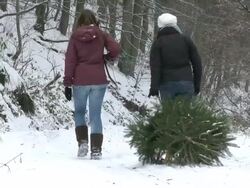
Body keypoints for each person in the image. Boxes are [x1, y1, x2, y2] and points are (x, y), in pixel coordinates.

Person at [63, 9, 121, 159]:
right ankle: (96, 150)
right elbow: (116, 49)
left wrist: (67, 83)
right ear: (94, 20)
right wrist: (106, 58)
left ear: (80, 21)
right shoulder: (101, 34)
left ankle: (82, 143)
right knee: (95, 115)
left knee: (80, 112)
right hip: (98, 80)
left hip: (81, 80)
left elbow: (70, 60)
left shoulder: (75, 36)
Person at [148, 13, 202, 101]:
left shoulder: (158, 43)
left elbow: (155, 68)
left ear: (160, 26)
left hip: (166, 84)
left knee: (169, 114)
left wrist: (154, 87)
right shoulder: (186, 40)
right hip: (186, 83)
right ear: (175, 25)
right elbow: (197, 64)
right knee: (185, 114)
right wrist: (197, 84)